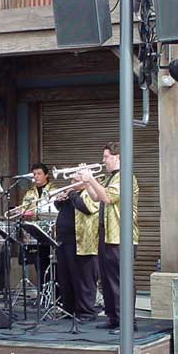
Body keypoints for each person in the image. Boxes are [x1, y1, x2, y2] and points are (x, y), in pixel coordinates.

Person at [76, 142, 139, 332]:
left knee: (121, 281)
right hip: (106, 235)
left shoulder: (126, 177)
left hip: (122, 236)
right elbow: (96, 197)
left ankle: (126, 322)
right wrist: (87, 182)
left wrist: (91, 178)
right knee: (107, 280)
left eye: (106, 157)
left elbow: (108, 198)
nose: (103, 161)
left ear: (118, 157)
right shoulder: (112, 178)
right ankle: (113, 317)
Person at [54, 181, 99, 322]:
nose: (71, 184)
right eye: (71, 181)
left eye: (75, 180)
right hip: (64, 240)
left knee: (83, 279)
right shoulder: (73, 195)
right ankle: (68, 309)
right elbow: (63, 209)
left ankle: (86, 312)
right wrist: (59, 201)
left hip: (82, 242)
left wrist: (72, 194)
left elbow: (86, 208)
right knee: (65, 277)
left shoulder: (91, 192)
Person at [19, 163, 55, 287]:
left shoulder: (54, 190)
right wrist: (22, 213)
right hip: (35, 233)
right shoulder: (29, 193)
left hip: (50, 233)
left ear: (46, 175)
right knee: (38, 264)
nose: (36, 176)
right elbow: (24, 209)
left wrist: (35, 213)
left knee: (49, 265)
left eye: (39, 174)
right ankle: (42, 291)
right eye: (34, 174)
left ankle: (51, 292)